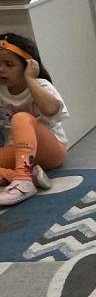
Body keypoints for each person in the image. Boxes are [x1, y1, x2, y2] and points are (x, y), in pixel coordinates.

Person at [0, 34, 69, 207]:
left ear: (28, 65)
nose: (1, 69)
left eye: (9, 64)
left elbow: (51, 110)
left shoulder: (41, 85)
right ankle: (30, 177)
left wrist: (30, 79)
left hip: (50, 151)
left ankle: (23, 180)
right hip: (17, 152)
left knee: (21, 118)